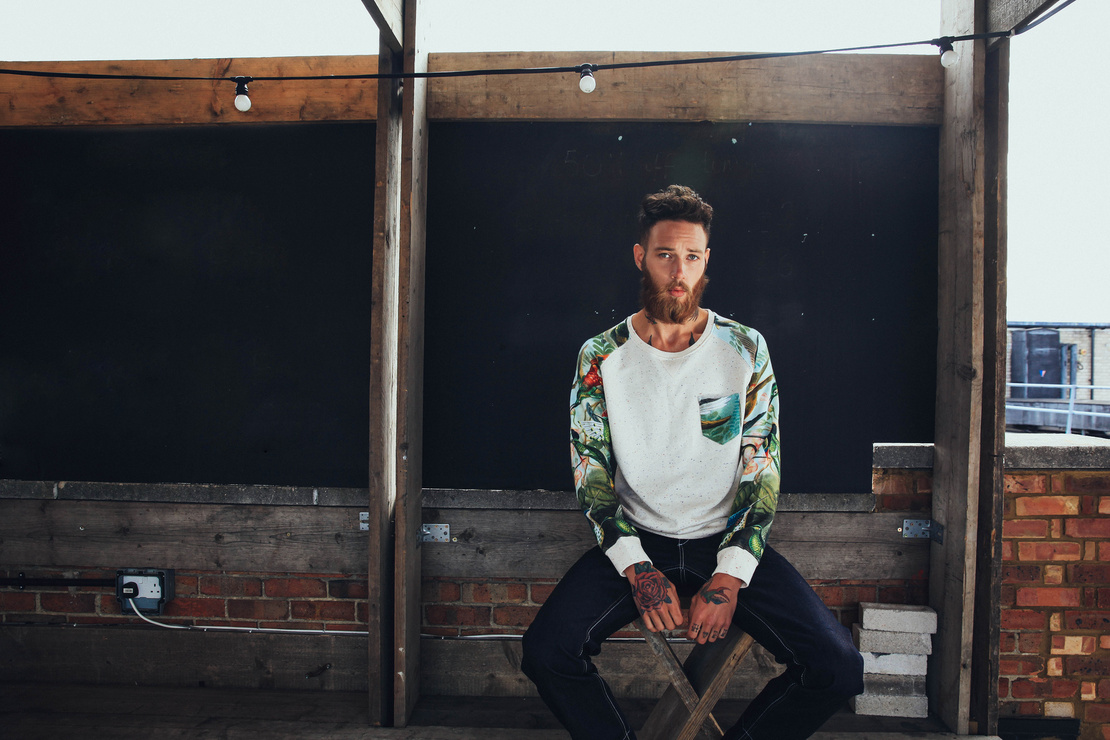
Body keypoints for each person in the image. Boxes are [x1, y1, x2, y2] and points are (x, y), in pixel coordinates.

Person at [521, 185, 863, 739]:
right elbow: (591, 474)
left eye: (692, 256)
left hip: (723, 539)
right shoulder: (601, 356)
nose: (678, 272)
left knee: (838, 667)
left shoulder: (744, 348)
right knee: (545, 651)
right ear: (641, 257)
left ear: (706, 260)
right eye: (665, 255)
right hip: (638, 539)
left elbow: (761, 467)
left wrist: (731, 574)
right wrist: (636, 567)